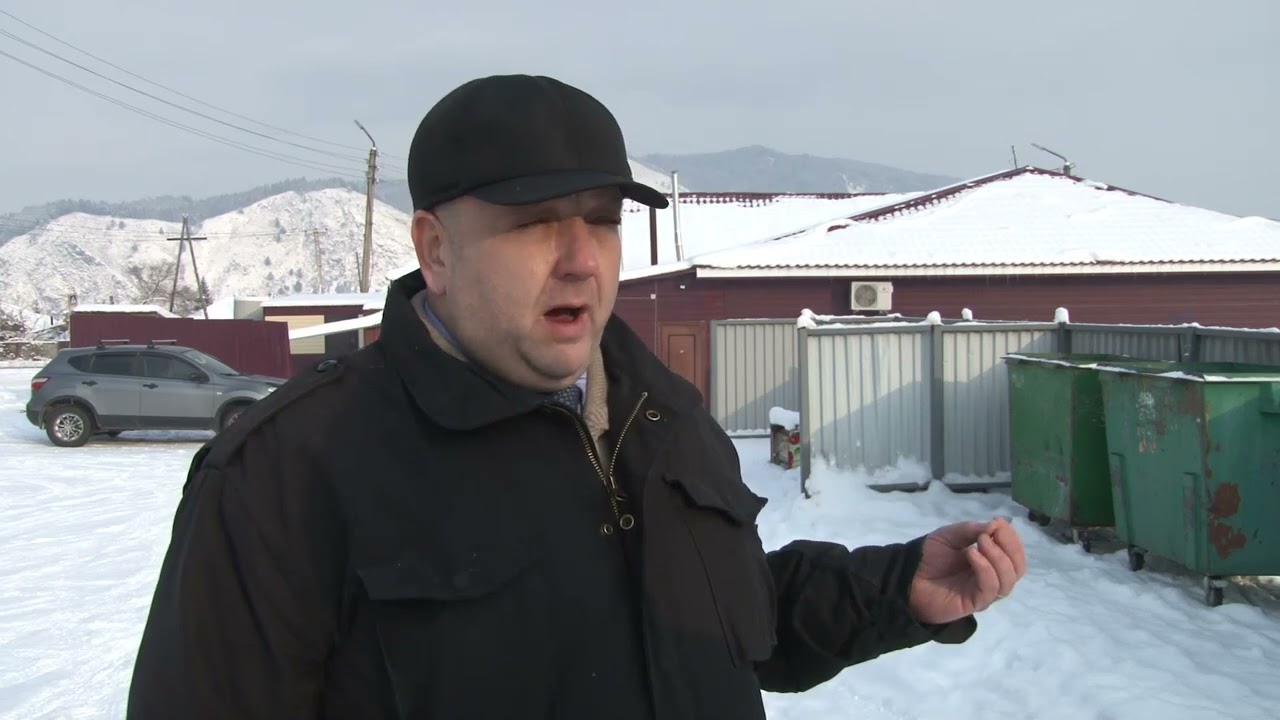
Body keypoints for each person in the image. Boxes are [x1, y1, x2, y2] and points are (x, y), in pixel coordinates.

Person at [126, 74, 1027, 720]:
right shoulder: (288, 474)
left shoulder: (663, 412)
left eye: (601, 219)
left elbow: (729, 622)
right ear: (435, 250)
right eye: (533, 225)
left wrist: (897, 590)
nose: (582, 260)